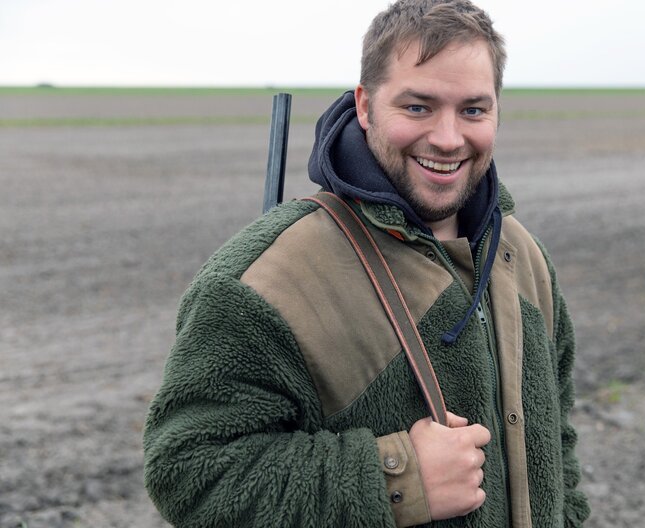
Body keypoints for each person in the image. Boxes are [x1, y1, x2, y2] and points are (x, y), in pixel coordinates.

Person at [143, 0, 590, 526]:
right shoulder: (266, 278)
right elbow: (190, 474)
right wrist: (398, 480)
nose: (449, 139)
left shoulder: (522, 256)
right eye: (418, 107)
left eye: (473, 109)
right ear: (364, 105)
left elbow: (554, 444)